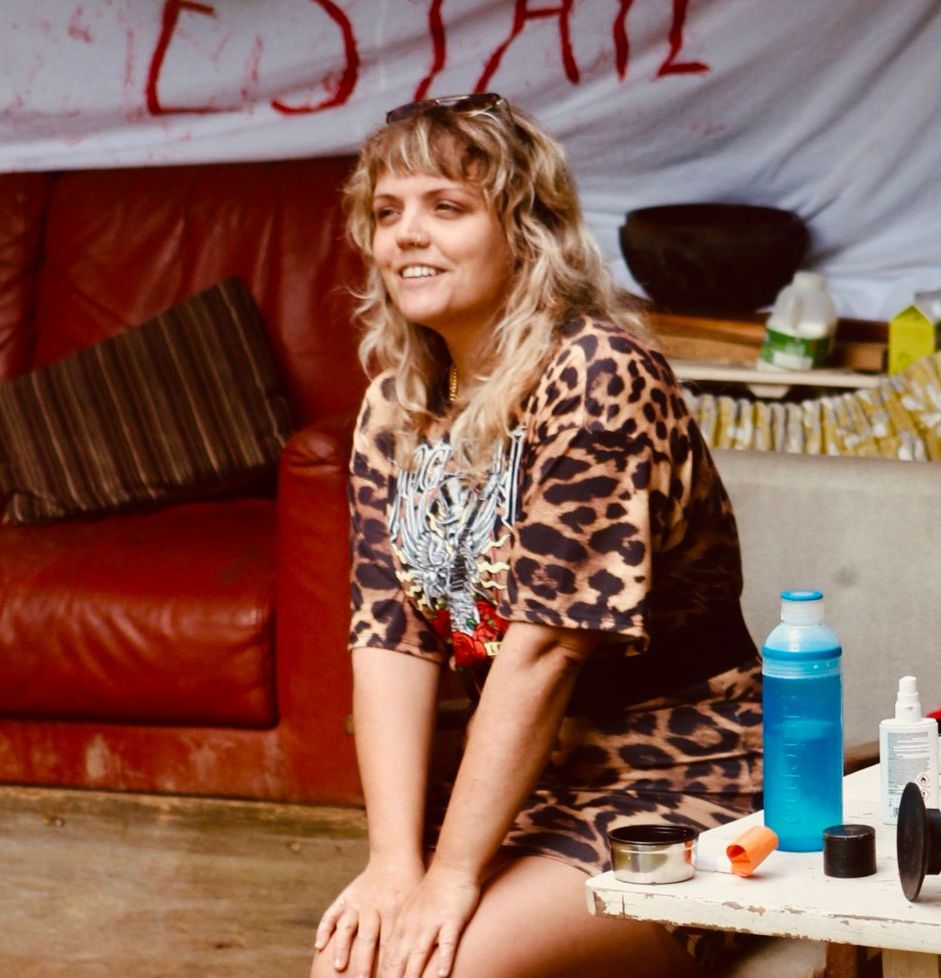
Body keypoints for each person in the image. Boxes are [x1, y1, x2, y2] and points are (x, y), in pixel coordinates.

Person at [311, 92, 762, 978]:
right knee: (350, 966)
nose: (406, 235)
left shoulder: (597, 375)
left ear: (525, 232)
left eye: (446, 207)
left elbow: (548, 648)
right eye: (387, 212)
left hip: (684, 780)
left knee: (436, 967)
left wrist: (450, 877)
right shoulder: (394, 406)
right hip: (521, 781)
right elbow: (389, 640)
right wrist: (393, 863)